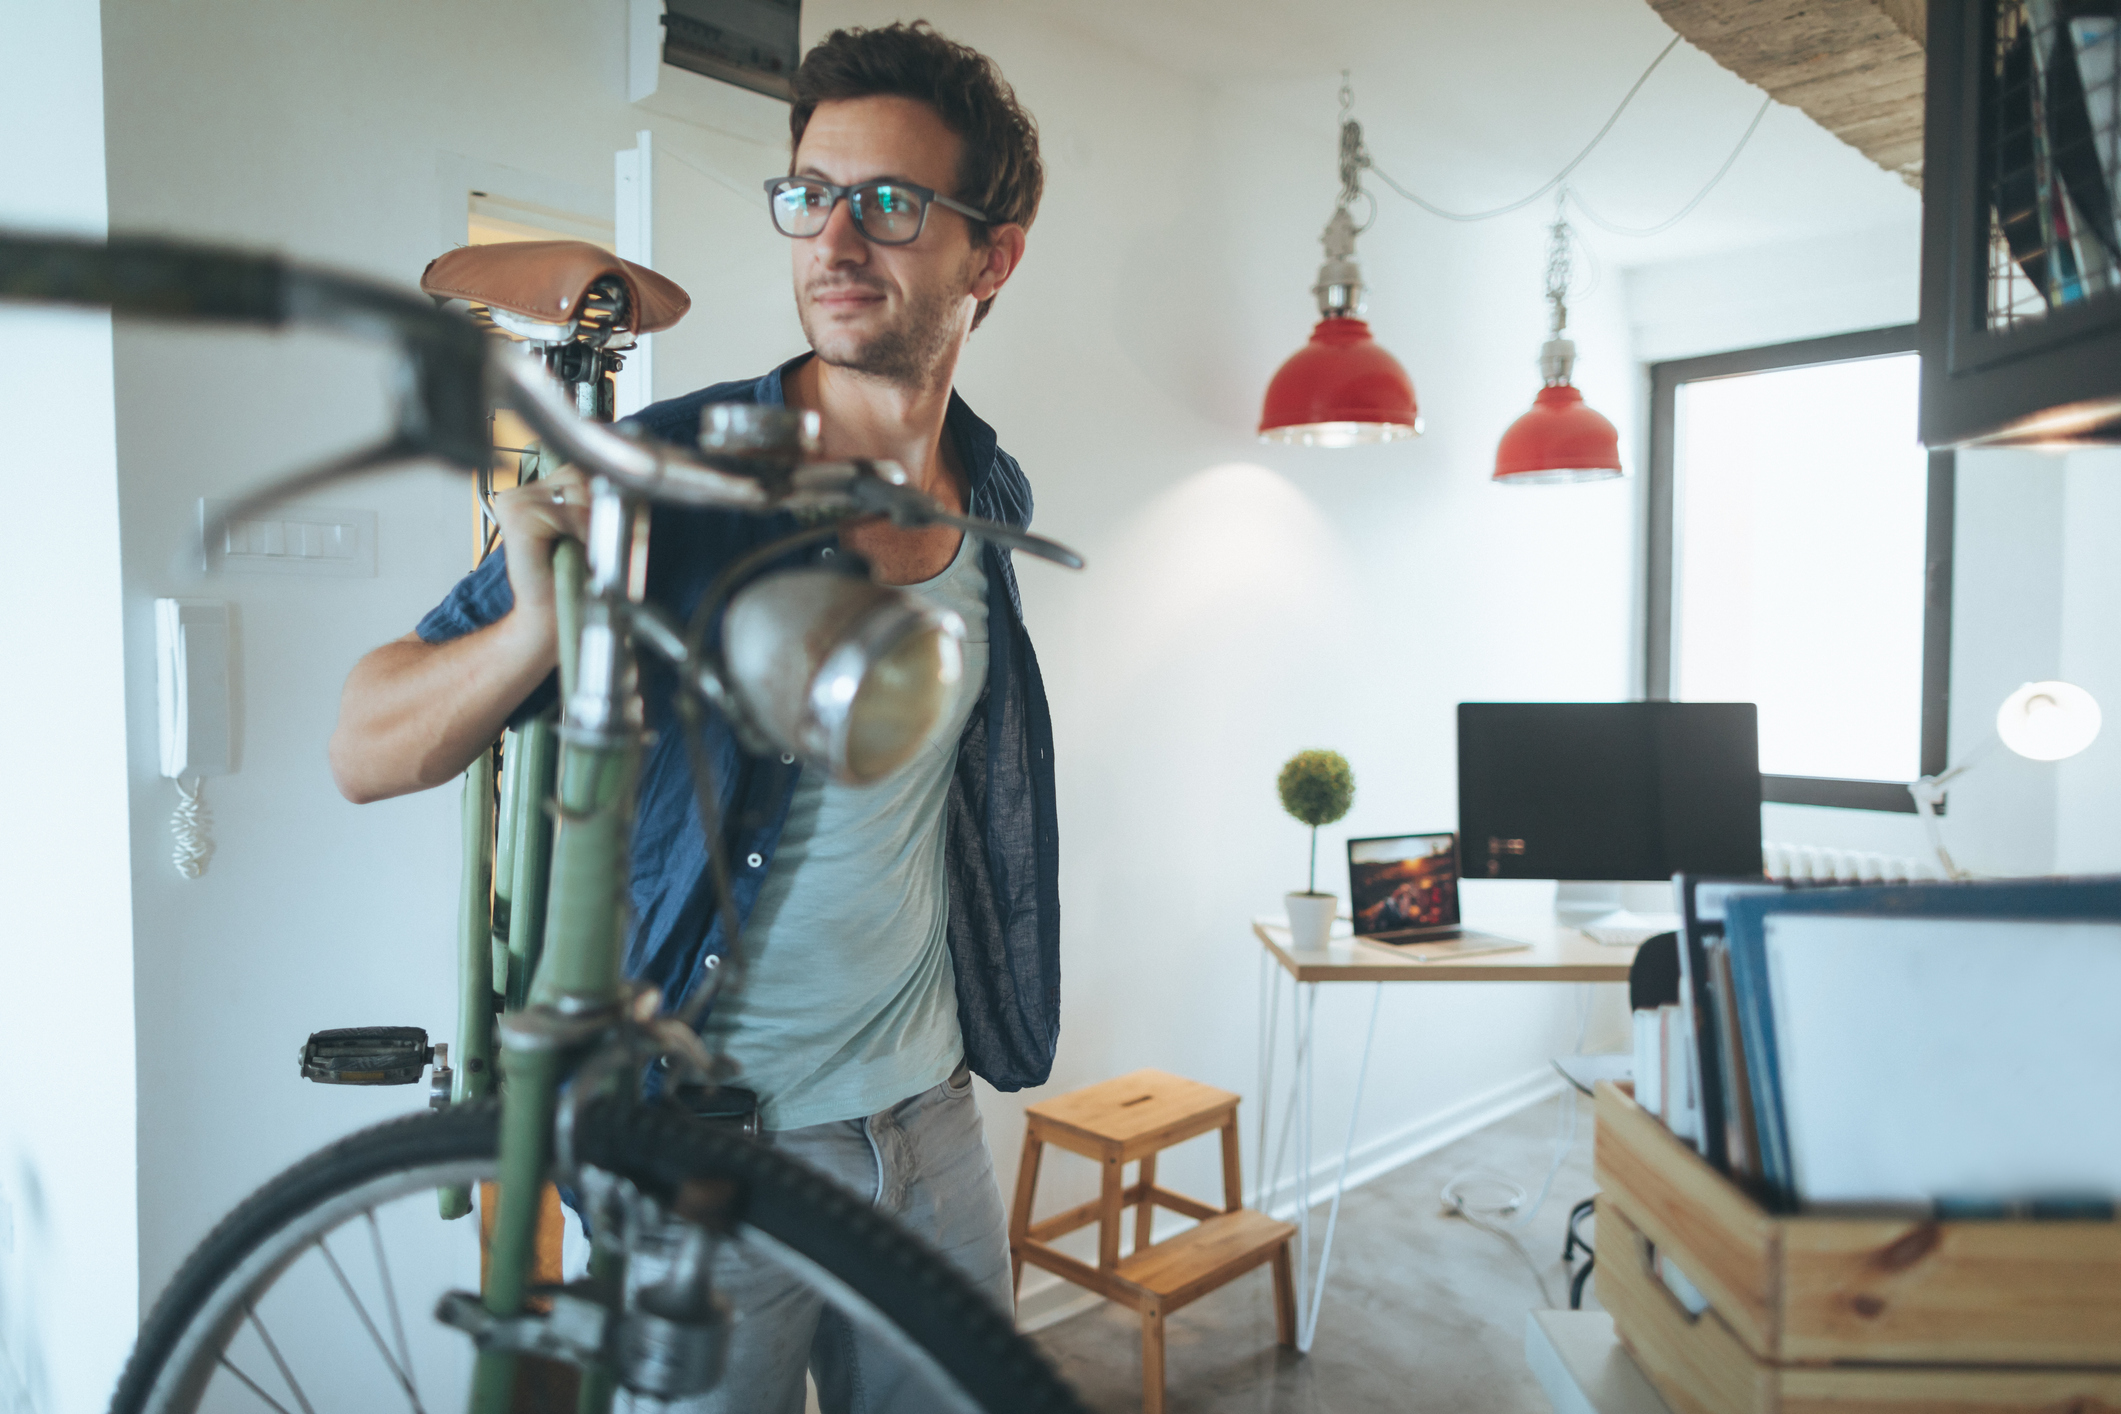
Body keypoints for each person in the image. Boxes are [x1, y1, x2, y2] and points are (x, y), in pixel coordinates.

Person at [327, 21, 1058, 1410]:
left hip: (933, 1125)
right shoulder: (664, 483)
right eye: (811, 194)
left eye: (891, 203)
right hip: (715, 1149)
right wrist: (539, 624)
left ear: (992, 255)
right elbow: (364, 744)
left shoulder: (990, 493)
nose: (836, 239)